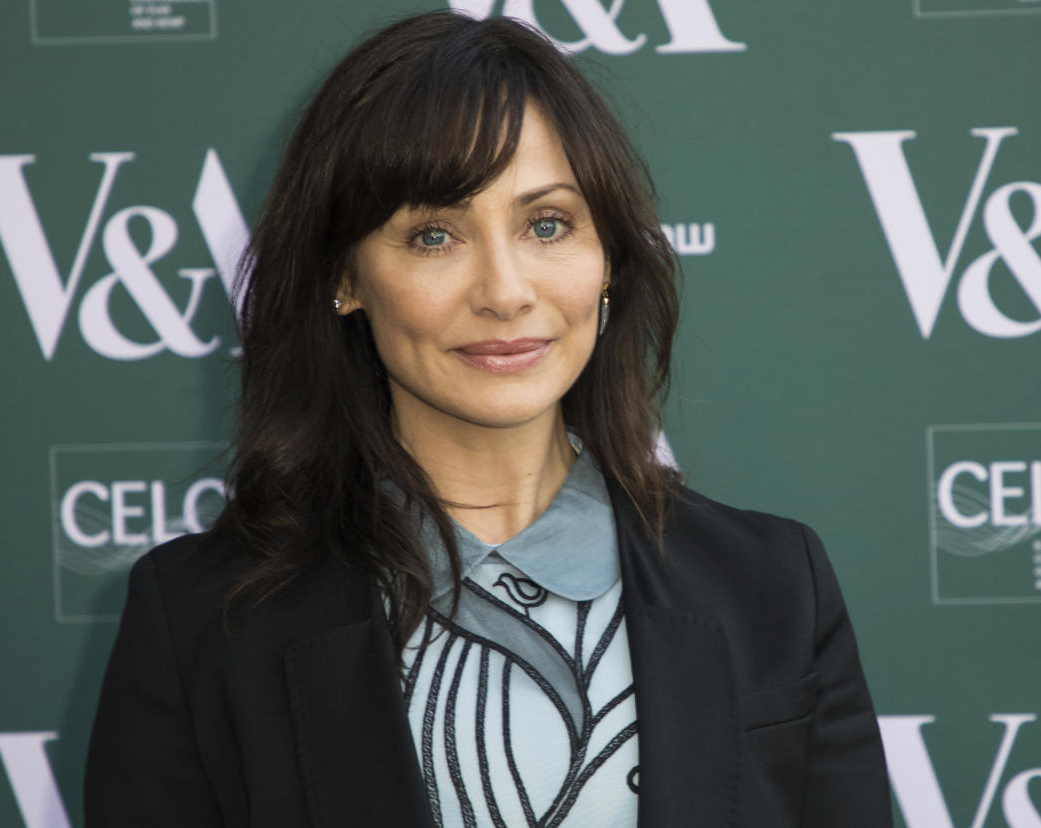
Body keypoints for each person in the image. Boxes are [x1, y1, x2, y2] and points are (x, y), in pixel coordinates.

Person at [83, 10, 891, 827]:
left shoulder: (774, 584)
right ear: (345, 277)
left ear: (608, 258)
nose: (504, 292)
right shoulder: (200, 621)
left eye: (548, 225)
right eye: (435, 235)